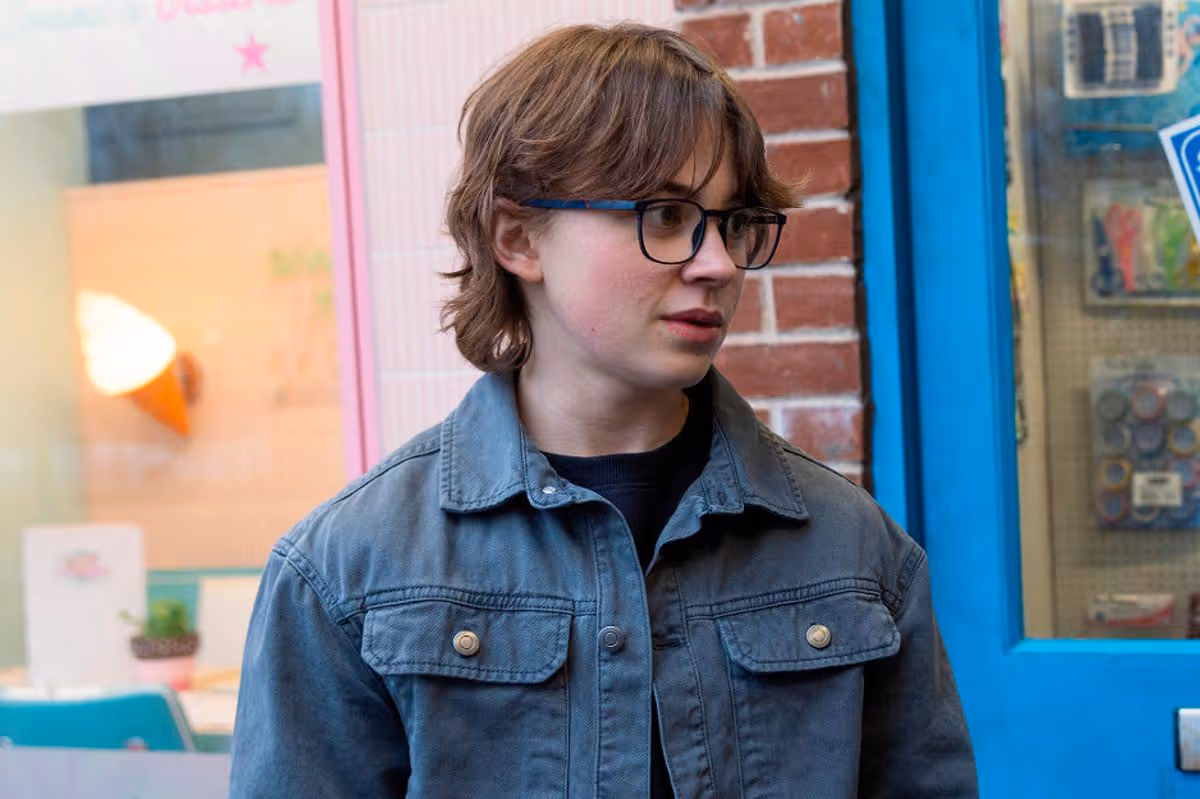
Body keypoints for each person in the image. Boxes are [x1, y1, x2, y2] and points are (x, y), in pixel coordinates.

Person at [229, 22, 977, 798]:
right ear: (519, 238)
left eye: (733, 223)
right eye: (665, 215)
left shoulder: (855, 548)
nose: (718, 264)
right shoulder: (347, 571)